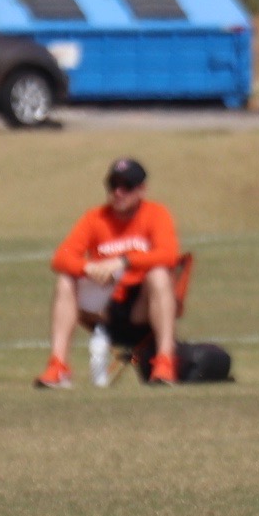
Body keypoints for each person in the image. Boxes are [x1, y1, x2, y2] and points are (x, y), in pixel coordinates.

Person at [37, 157, 182, 390]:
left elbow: (169, 255)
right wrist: (88, 267)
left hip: (141, 304)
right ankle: (58, 366)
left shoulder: (156, 214)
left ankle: (165, 362)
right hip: (106, 305)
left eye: (126, 186)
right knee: (66, 280)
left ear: (141, 189)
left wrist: (123, 261)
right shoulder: (95, 218)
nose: (118, 192)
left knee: (159, 275)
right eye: (113, 185)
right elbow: (61, 258)